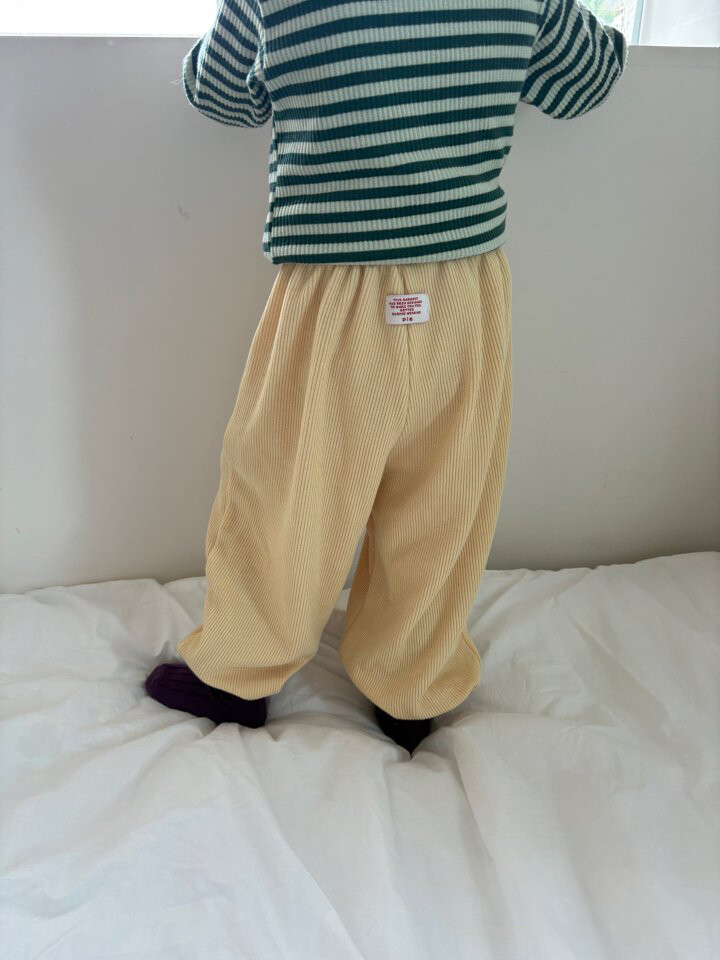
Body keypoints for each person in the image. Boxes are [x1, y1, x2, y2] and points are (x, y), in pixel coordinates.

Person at [146, 0, 629, 753]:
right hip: (462, 283)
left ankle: (241, 671)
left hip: (333, 285)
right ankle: (410, 683)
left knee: (290, 489)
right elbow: (586, 79)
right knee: (444, 491)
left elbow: (218, 91)